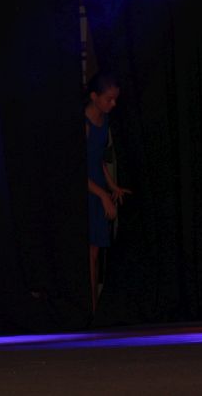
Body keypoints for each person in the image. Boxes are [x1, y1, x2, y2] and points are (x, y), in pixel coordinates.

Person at [85, 71, 132, 313]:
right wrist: (103, 195)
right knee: (90, 254)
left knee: (95, 252)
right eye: (109, 99)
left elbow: (98, 160)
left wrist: (112, 187)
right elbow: (77, 169)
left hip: (97, 187)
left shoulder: (103, 121)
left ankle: (94, 306)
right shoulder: (84, 123)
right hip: (87, 191)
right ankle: (91, 308)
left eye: (115, 99)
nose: (113, 104)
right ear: (94, 96)